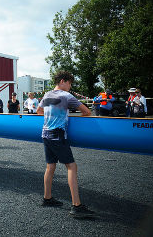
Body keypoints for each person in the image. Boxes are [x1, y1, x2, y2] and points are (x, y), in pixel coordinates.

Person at [36, 71, 95, 218]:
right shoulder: (67, 96)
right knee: (71, 166)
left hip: (45, 134)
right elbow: (87, 112)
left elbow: (39, 111)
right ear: (63, 81)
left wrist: (53, 115)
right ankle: (76, 205)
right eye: (69, 83)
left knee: (50, 166)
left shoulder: (47, 95)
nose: (70, 87)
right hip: (58, 135)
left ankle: (47, 198)